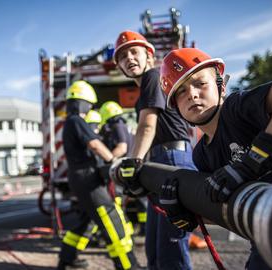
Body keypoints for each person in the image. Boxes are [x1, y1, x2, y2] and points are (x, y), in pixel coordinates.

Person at [156, 47, 272, 269]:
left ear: (222, 86)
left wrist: (251, 162)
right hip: (270, 240)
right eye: (180, 91)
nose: (192, 94)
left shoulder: (237, 108)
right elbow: (228, 208)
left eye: (200, 83)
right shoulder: (201, 154)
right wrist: (188, 216)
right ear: (176, 108)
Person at [113, 30, 204, 270]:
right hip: (161, 161)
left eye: (134, 52)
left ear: (149, 57)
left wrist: (132, 163)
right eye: (122, 56)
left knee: (170, 252)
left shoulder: (153, 77)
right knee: (155, 251)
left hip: (172, 160)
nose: (129, 58)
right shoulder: (147, 85)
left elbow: (147, 125)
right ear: (119, 66)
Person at [58, 80, 138, 270]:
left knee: (86, 222)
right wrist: (112, 160)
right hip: (88, 180)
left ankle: (67, 259)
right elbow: (94, 144)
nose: (89, 110)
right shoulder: (77, 120)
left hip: (79, 179)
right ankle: (128, 265)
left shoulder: (69, 122)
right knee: (111, 221)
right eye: (89, 105)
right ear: (82, 102)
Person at [99, 101, 146, 234]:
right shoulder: (124, 125)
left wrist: (107, 160)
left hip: (121, 169)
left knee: (118, 201)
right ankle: (140, 228)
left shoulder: (117, 126)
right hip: (128, 168)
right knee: (137, 200)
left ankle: (126, 230)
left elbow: (122, 148)